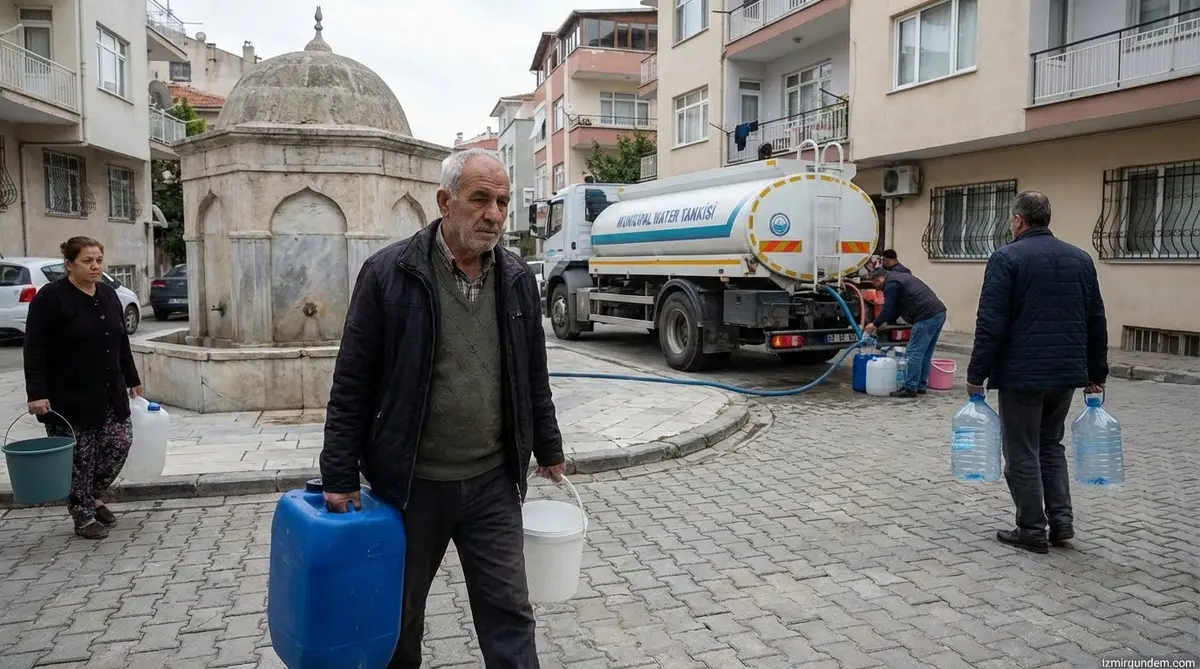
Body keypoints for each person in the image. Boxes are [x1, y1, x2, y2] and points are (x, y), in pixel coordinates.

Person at [319, 147, 565, 669]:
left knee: (510, 614)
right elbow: (353, 381)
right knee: (400, 619)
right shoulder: (389, 273)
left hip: (493, 484)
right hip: (410, 487)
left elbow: (532, 374)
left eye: (501, 201)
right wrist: (338, 474)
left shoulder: (517, 278)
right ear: (444, 201)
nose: (494, 213)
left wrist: (548, 445)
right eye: (480, 199)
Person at [966, 191, 1108, 555]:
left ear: (1018, 220)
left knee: (1022, 450)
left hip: (1022, 375)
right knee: (1050, 445)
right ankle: (1061, 522)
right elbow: (1096, 320)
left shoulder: (1006, 258)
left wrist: (976, 373)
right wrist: (1097, 371)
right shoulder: (1080, 259)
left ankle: (1031, 529)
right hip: (1065, 374)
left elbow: (991, 322)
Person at [23, 237, 143, 540]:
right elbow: (34, 348)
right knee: (80, 459)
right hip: (68, 394)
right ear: (69, 264)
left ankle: (91, 495)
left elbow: (121, 342)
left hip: (108, 390)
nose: (95, 266)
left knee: (119, 443)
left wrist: (132, 378)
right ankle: (83, 515)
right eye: (87, 261)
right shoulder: (51, 298)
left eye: (99, 260)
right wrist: (36, 394)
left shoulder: (109, 295)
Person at [863, 267, 947, 398]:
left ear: (879, 279)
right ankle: (920, 385)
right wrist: (886, 323)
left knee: (913, 353)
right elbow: (895, 309)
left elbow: (888, 309)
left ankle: (910, 388)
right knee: (924, 353)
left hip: (925, 316)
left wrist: (874, 324)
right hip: (939, 313)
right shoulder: (898, 278)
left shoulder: (890, 284)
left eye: (874, 283)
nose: (875, 286)